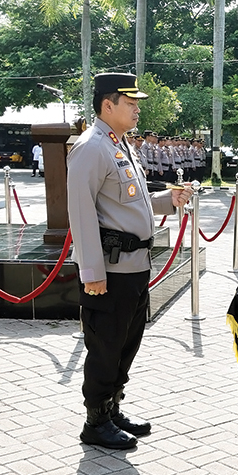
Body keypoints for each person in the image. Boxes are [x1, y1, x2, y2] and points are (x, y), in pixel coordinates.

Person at [66, 72, 194, 450]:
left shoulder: (119, 145)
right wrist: (92, 272)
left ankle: (113, 408)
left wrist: (169, 198)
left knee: (126, 344)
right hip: (110, 270)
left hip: (136, 267)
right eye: (131, 103)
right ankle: (95, 422)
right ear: (108, 104)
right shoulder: (91, 147)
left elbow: (130, 201)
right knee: (105, 346)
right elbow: (82, 212)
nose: (137, 109)